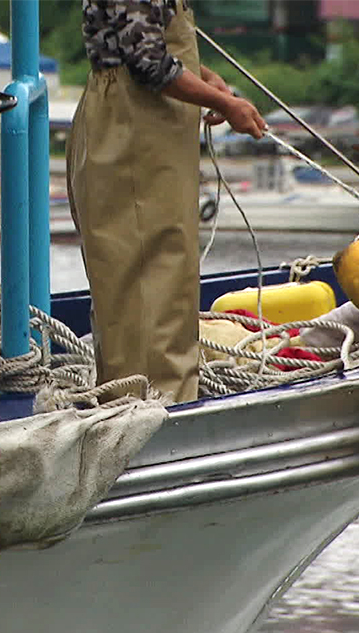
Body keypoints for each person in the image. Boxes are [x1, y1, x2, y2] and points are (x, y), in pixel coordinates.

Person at [66, 0, 267, 405]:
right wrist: (224, 104)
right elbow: (149, 62)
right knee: (144, 271)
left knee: (168, 270)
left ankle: (163, 396)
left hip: (151, 136)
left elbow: (155, 46)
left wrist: (208, 81)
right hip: (132, 131)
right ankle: (151, 407)